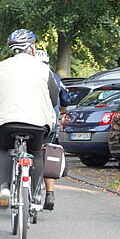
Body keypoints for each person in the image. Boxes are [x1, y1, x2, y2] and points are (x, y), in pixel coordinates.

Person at [0, 29, 59, 208]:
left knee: (5, 150)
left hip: (6, 122)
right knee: (36, 153)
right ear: (32, 48)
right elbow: (54, 98)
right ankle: (36, 195)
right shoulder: (43, 68)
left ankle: (4, 188)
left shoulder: (1, 67)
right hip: (38, 123)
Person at [35, 49, 71, 210]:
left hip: (29, 122)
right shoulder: (55, 77)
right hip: (49, 124)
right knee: (47, 156)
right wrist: (61, 110)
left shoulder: (27, 75)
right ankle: (50, 193)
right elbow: (65, 99)